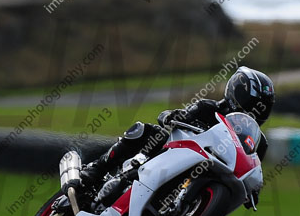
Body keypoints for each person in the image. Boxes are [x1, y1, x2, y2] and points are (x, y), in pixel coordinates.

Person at [79, 66, 275, 190]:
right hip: (175, 155)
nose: (255, 110)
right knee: (145, 131)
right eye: (252, 102)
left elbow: (253, 171)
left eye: (262, 106)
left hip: (212, 178)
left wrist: (253, 189)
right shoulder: (208, 108)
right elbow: (176, 116)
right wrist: (171, 116)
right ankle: (98, 168)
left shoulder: (260, 143)